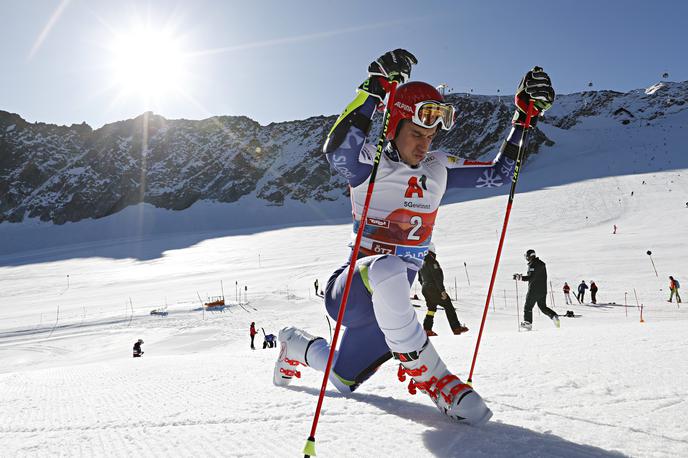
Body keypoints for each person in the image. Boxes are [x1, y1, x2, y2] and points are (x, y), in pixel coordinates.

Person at [272, 49, 555, 425]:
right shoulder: (369, 163)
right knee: (389, 267)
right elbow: (336, 151)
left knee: (343, 378)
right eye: (416, 134)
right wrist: (374, 88)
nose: (424, 144)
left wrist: (524, 118)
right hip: (350, 292)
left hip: (389, 308)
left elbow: (501, 174)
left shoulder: (440, 167)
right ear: (393, 129)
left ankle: (294, 344)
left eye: (431, 134)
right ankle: (434, 377)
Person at [418, 243, 469, 336]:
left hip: (425, 289)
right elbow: (437, 277)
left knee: (431, 309)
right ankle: (456, 327)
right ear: (432, 250)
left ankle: (427, 329)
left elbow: (419, 279)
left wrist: (425, 287)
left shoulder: (421, 262)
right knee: (448, 306)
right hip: (434, 288)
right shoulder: (432, 261)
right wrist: (442, 291)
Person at [513, 249, 559, 330]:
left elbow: (531, 277)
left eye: (527, 256)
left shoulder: (533, 265)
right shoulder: (541, 264)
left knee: (528, 306)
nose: (526, 258)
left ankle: (528, 323)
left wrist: (519, 277)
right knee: (542, 307)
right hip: (543, 290)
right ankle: (554, 316)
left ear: (529, 256)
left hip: (534, 290)